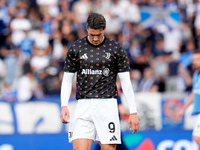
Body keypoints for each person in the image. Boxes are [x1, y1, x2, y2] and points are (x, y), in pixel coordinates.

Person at [60, 13, 140, 150]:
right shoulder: (76, 48)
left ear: (104, 29)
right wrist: (64, 105)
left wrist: (133, 112)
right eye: (92, 35)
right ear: (87, 29)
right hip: (84, 105)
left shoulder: (116, 48)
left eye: (99, 35)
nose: (96, 38)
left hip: (108, 106)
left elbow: (126, 82)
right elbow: (67, 79)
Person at [176, 49, 200, 147]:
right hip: (197, 111)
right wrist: (182, 109)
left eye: (198, 59)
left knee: (196, 137)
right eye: (193, 59)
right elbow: (194, 94)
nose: (195, 62)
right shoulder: (196, 74)